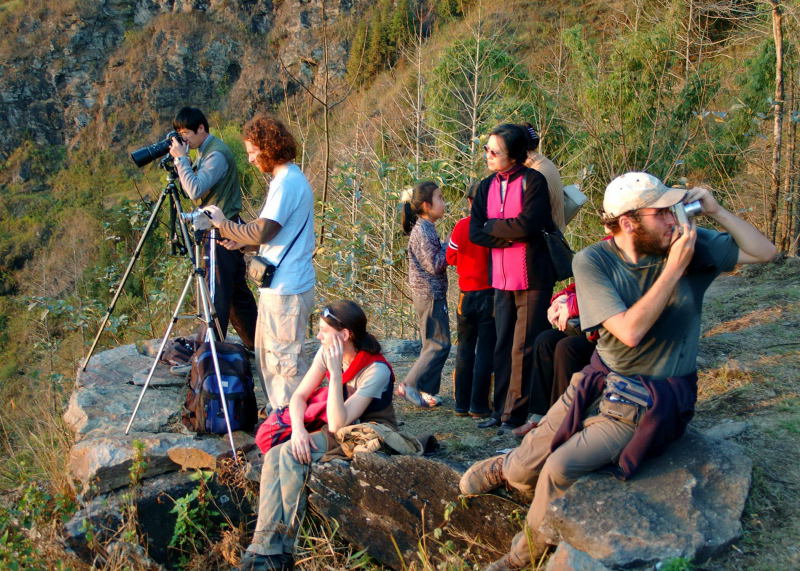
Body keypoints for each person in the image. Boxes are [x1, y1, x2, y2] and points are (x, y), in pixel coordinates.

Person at [459, 172, 777, 570]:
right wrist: (673, 270)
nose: (674, 220)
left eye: (674, 210)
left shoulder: (684, 249)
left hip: (648, 399)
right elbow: (628, 330)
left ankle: (520, 558)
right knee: (530, 457)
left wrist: (717, 211)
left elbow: (765, 253)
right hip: (599, 378)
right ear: (629, 222)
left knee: (558, 468)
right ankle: (508, 470)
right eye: (661, 213)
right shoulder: (593, 260)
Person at [237, 300, 397, 571]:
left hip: (365, 431)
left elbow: (338, 425)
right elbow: (298, 396)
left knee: (289, 456)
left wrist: (335, 373)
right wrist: (298, 429)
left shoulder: (376, 370)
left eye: (324, 330)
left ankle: (281, 551)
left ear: (345, 335)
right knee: (277, 452)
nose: (319, 336)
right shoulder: (326, 353)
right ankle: (261, 546)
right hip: (339, 426)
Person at [205, 115, 315, 411]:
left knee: (285, 364)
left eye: (253, 152)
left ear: (268, 148)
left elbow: (264, 229)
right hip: (280, 286)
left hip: (287, 290)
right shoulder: (286, 179)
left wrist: (224, 225)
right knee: (270, 358)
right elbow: (274, 232)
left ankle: (293, 428)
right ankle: (283, 419)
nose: (251, 159)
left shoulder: (287, 182)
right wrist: (244, 241)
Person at [469, 123, 556, 429]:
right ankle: (499, 410)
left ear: (514, 156)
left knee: (525, 345)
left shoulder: (534, 181)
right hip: (501, 278)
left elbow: (528, 225)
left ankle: (516, 413)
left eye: (495, 151)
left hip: (533, 275)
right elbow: (474, 232)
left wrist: (494, 226)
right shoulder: (485, 186)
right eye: (487, 149)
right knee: (502, 343)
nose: (488, 156)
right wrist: (504, 233)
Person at [169, 107, 258, 350]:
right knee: (236, 292)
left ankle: (211, 350)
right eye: (179, 134)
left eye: (186, 133)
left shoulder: (215, 155)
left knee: (217, 291)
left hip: (221, 229)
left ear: (201, 128)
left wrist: (181, 160)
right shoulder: (205, 151)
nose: (183, 139)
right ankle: (257, 343)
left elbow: (195, 190)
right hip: (225, 227)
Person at [512, 282, 596, 439]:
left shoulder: (621, 263)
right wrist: (560, 300)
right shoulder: (596, 262)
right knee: (545, 340)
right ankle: (540, 414)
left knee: (567, 347)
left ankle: (563, 419)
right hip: (582, 327)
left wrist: (572, 305)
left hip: (603, 335)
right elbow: (574, 288)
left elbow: (604, 297)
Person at [396, 181, 451, 408]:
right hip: (429, 295)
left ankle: (428, 391)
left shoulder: (426, 227)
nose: (444, 202)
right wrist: (452, 246)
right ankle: (409, 384)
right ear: (427, 205)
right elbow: (434, 264)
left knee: (434, 342)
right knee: (439, 344)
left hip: (429, 293)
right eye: (440, 198)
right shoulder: (423, 230)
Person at [445, 182, 494, 418]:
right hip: (491, 295)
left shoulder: (462, 226)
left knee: (465, 348)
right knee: (485, 349)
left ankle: (461, 405)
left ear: (469, 202)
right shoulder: (495, 227)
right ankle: (479, 406)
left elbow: (451, 256)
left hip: (466, 296)